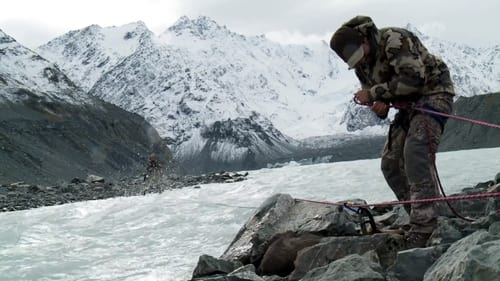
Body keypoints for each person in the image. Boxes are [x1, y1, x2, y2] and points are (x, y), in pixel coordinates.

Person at [330, 16, 455, 248]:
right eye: (356, 60)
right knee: (390, 163)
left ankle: (424, 226)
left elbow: (414, 79)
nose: (363, 60)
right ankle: (421, 216)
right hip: (408, 107)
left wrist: (376, 94)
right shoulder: (362, 66)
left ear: (364, 38)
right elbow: (381, 101)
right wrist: (379, 105)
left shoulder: (394, 40)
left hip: (434, 95)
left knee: (415, 152)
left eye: (362, 53)